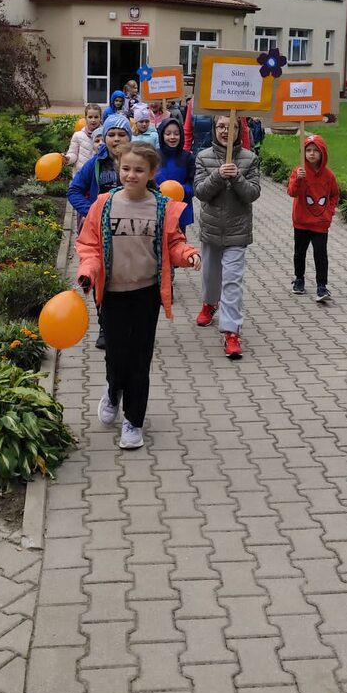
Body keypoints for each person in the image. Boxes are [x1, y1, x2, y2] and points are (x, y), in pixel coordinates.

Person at [77, 143, 201, 449]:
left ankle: (133, 421)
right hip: (113, 294)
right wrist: (88, 271)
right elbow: (90, 245)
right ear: (118, 168)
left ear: (152, 173)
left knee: (139, 359)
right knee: (116, 355)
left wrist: (188, 254)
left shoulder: (161, 207)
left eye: (139, 170)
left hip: (146, 294)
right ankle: (113, 391)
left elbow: (174, 242)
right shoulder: (104, 204)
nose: (131, 175)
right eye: (126, 168)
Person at [193, 115, 261, 359]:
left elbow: (253, 193)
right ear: (214, 129)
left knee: (232, 281)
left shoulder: (250, 158)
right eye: (220, 126)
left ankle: (232, 332)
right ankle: (210, 303)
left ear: (239, 130)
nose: (225, 131)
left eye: (231, 127)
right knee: (211, 275)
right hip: (211, 229)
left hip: (237, 231)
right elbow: (200, 192)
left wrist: (237, 177)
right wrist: (218, 175)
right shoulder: (203, 157)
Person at [68, 113, 133, 346]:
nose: (116, 139)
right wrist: (92, 211)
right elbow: (74, 191)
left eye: (121, 134)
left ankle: (127, 325)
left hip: (130, 234)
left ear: (130, 137)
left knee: (127, 279)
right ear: (104, 138)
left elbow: (154, 193)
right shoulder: (95, 163)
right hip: (101, 234)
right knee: (102, 280)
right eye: (111, 134)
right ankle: (105, 327)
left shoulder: (138, 162)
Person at [287, 134, 339, 302]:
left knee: (320, 255)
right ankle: (299, 279)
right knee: (299, 253)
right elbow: (292, 192)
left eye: (316, 151)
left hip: (320, 223)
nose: (311, 153)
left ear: (322, 153)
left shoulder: (328, 175)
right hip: (301, 221)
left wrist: (329, 211)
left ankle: (321, 285)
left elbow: (334, 194)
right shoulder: (298, 171)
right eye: (308, 150)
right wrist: (298, 180)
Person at [157, 117, 194, 230]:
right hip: (158, 208)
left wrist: (180, 191)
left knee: (178, 239)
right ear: (162, 135)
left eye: (176, 134)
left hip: (180, 208)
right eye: (168, 134)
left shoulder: (188, 157)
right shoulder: (154, 156)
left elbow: (193, 182)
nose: (172, 137)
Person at [64, 104, 103, 174]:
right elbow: (73, 153)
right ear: (85, 118)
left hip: (98, 174)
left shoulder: (106, 135)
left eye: (96, 117)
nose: (93, 120)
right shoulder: (78, 135)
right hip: (81, 174)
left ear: (100, 118)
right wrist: (68, 158)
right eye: (90, 117)